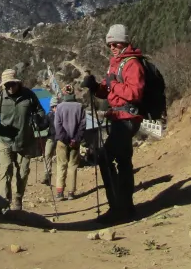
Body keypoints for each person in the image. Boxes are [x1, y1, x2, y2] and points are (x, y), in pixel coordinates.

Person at [82, 24, 144, 223]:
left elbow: (134, 93)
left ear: (124, 42)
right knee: (123, 161)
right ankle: (125, 206)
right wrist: (96, 87)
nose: (112, 47)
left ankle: (118, 207)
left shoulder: (132, 64)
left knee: (106, 158)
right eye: (110, 44)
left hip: (127, 119)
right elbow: (108, 91)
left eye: (115, 43)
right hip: (119, 118)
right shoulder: (115, 63)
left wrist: (112, 85)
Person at [0, 69, 46, 213]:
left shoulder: (29, 96)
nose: (10, 87)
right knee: (6, 170)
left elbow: (40, 111)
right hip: (5, 140)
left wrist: (40, 120)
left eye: (12, 83)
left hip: (26, 141)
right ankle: (4, 203)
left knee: (22, 173)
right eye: (7, 84)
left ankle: (18, 198)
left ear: (18, 83)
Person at [51, 83, 86, 200]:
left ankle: (60, 192)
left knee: (61, 165)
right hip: (75, 141)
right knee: (73, 166)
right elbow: (82, 125)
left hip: (62, 141)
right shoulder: (79, 107)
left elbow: (58, 125)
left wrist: (65, 139)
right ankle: (71, 192)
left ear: (64, 93)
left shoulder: (60, 107)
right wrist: (75, 139)